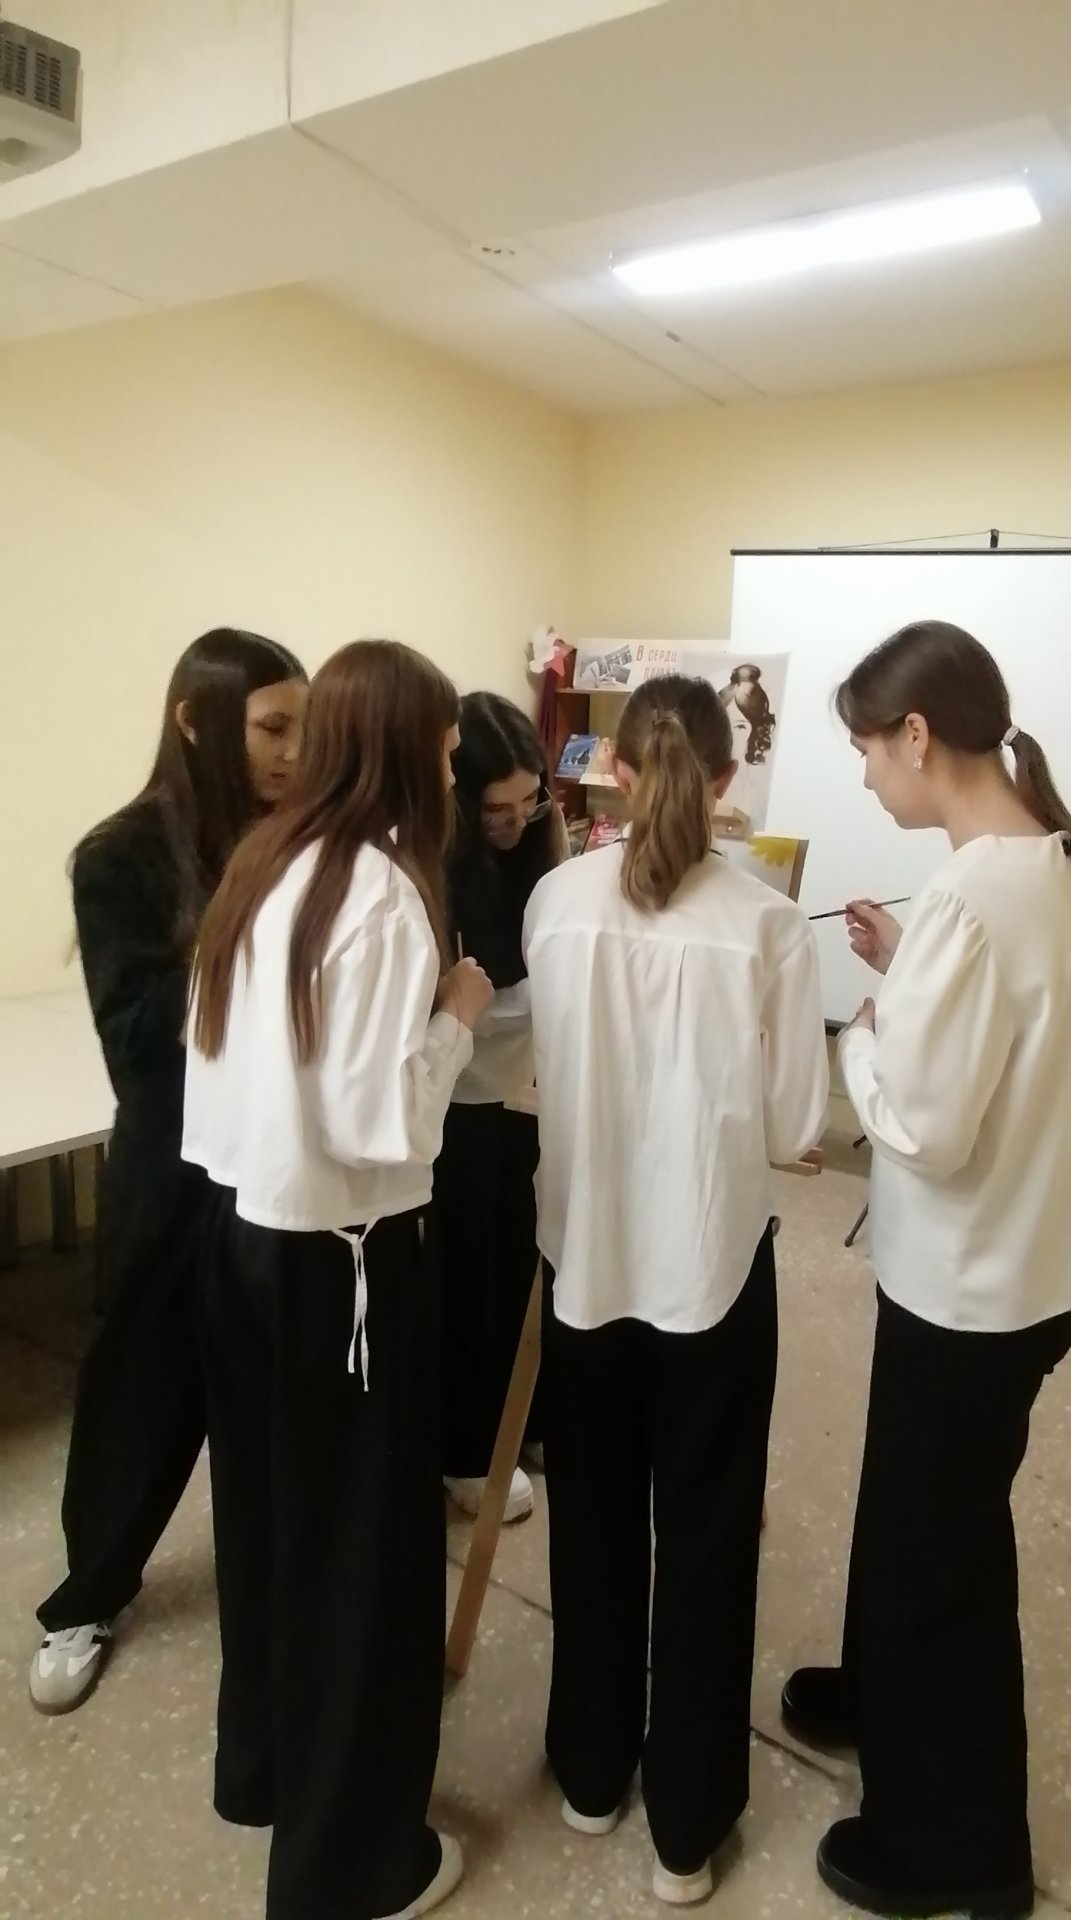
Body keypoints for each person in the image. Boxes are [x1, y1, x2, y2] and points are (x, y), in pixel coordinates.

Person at [780, 620, 1071, 1920]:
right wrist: (906, 975)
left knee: (945, 1557)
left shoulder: (975, 897)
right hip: (1024, 1260)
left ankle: (958, 1850)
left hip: (981, 1286)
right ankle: (880, 1697)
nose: (866, 775)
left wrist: (863, 1036)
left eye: (869, 749)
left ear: (917, 736)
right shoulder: (1057, 859)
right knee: (908, 1504)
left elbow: (921, 1124)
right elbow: (995, 1029)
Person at [183, 640, 493, 1920]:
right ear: (405, 750)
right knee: (363, 1563)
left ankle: (262, 1771)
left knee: (273, 1527)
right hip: (344, 1267)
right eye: (447, 749)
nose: (455, 772)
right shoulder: (382, 893)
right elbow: (386, 1124)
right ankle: (352, 1869)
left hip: (242, 1235)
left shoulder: (265, 860)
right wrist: (459, 1012)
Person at [524, 674, 830, 1907]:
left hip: (585, 1264)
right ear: (726, 779)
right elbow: (797, 1125)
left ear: (614, 771)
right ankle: (686, 1829)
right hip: (712, 1267)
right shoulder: (768, 923)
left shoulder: (554, 902)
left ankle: (591, 1775)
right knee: (706, 1537)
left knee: (592, 1519)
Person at [30, 628, 307, 1715]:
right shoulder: (122, 857)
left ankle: (282, 1591)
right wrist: (238, 935)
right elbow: (137, 1039)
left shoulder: (296, 838)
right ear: (196, 721)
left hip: (274, 1166)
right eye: (272, 728)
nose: (293, 753)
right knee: (137, 1393)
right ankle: (86, 1596)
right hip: (172, 1167)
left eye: (304, 729)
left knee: (269, 1392)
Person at [435, 692, 565, 1529]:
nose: (517, 823)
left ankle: (527, 1420)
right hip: (453, 1101)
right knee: (467, 1277)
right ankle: (466, 1447)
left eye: (530, 804)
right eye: (497, 812)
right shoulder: (435, 871)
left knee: (524, 1259)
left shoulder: (543, 851)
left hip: (523, 1097)